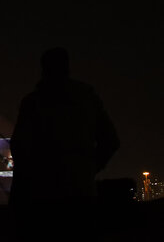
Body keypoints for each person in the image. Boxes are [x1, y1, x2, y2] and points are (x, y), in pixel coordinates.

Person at [9, 47, 120, 239]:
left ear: (43, 69)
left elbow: (19, 148)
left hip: (43, 195)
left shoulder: (33, 102)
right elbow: (111, 140)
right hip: (81, 193)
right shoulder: (87, 98)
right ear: (67, 68)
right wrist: (89, 168)